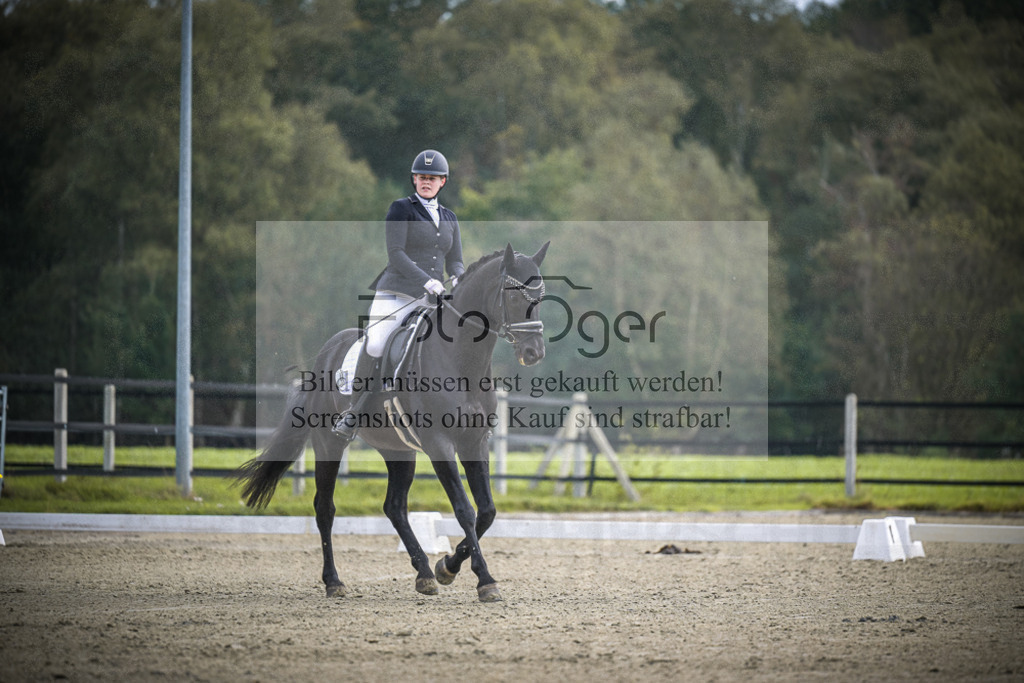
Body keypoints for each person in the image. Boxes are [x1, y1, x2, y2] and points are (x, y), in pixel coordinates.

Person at [333, 149, 465, 440]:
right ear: (414, 179)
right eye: (421, 177)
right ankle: (354, 411)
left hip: (431, 299)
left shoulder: (450, 218)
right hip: (396, 293)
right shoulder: (401, 209)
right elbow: (396, 255)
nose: (426, 182)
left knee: (449, 344)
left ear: (442, 181)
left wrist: (459, 276)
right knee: (378, 343)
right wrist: (428, 281)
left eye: (432, 178)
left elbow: (454, 258)